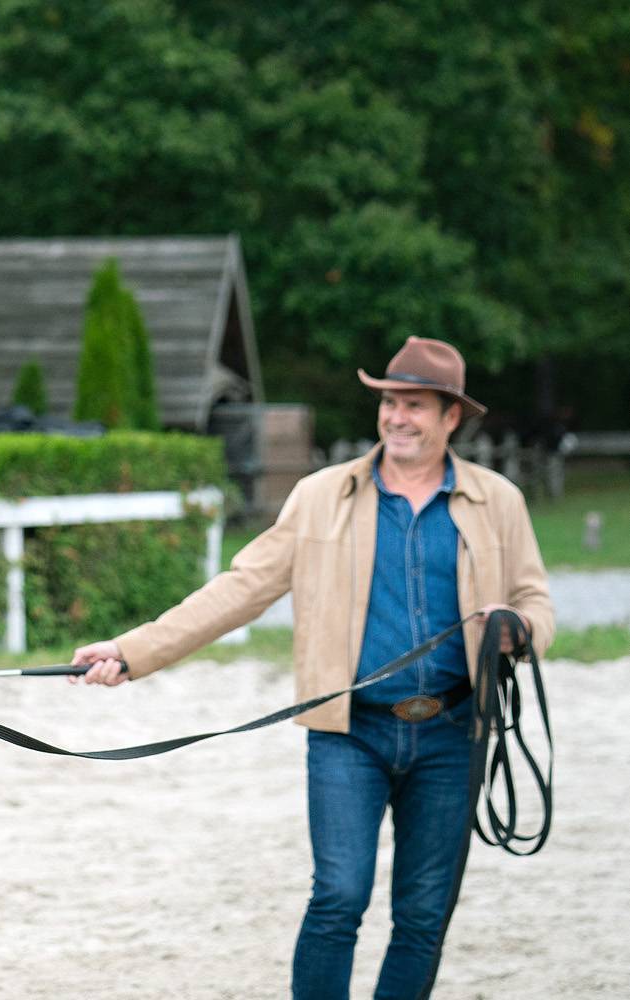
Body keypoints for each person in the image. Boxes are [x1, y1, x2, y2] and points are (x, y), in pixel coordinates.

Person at [71, 336, 553, 998]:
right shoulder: (320, 496)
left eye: (415, 405)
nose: (397, 417)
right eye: (390, 403)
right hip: (346, 733)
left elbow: (533, 600)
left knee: (421, 915)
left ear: (450, 418)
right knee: (338, 898)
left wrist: (518, 630)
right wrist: (133, 651)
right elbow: (239, 589)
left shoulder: (498, 501)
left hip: (451, 732)